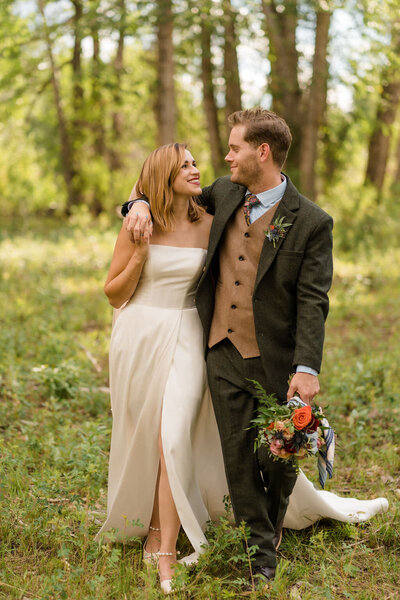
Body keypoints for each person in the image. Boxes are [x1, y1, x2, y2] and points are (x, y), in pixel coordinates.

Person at [122, 109, 388, 589]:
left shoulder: (311, 222)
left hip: (277, 358)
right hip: (220, 348)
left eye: (234, 147)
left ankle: (269, 530)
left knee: (278, 456)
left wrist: (306, 367)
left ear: (261, 152)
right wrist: (134, 203)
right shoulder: (223, 193)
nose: (226, 156)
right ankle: (261, 558)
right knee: (237, 455)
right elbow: (165, 195)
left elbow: (313, 300)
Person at [97, 143, 230, 595]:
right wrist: (139, 254)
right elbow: (114, 294)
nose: (196, 170)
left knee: (172, 434)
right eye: (185, 165)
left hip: (189, 330)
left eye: (195, 162)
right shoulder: (139, 222)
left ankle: (168, 551)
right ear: (163, 174)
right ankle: (154, 530)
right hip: (139, 331)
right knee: (152, 436)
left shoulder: (210, 222)